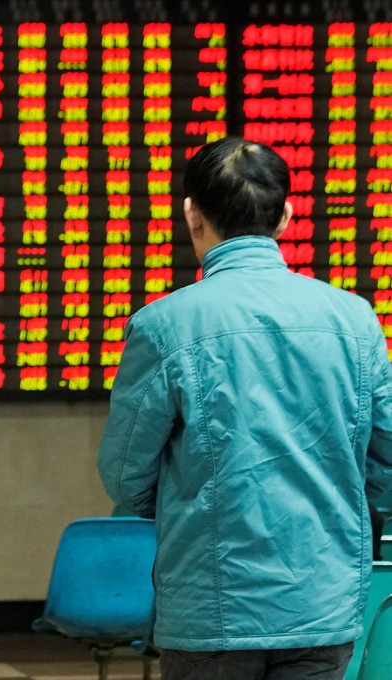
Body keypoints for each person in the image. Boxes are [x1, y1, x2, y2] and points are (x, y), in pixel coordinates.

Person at [97, 136, 392, 680]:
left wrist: (182, 505)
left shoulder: (163, 325)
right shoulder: (356, 320)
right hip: (323, 607)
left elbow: (123, 475)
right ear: (286, 215)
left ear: (192, 215)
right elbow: (387, 466)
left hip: (211, 610)